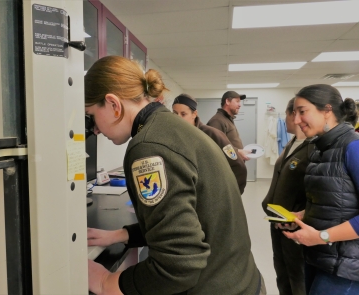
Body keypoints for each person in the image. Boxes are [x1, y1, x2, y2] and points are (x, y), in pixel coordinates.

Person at [85, 56, 265, 295]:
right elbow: (193, 217)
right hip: (239, 280)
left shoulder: (149, 147)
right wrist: (122, 234)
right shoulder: (172, 128)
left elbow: (178, 265)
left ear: (113, 104)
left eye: (92, 116)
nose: (95, 130)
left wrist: (105, 283)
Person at [283, 84, 359, 295]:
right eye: (295, 113)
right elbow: (335, 201)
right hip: (318, 257)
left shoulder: (353, 147)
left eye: (302, 111)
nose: (296, 120)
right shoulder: (319, 149)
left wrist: (322, 236)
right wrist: (303, 215)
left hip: (345, 269)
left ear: (327, 111)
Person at [262, 97, 314, 295]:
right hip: (278, 222)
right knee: (282, 271)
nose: (285, 120)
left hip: (295, 224)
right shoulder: (292, 143)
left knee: (297, 274)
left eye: (287, 114)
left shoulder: (312, 147)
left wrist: (303, 215)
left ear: (295, 114)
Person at [172, 93, 247, 194]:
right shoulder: (172, 136)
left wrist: (231, 196)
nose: (178, 118)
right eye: (175, 113)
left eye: (183, 114)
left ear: (194, 114)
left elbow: (238, 166)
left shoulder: (212, 134)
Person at [207, 90, 250, 161]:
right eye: (237, 101)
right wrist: (238, 152)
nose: (240, 105)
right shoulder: (217, 121)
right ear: (227, 101)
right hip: (226, 169)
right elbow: (215, 147)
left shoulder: (227, 119)